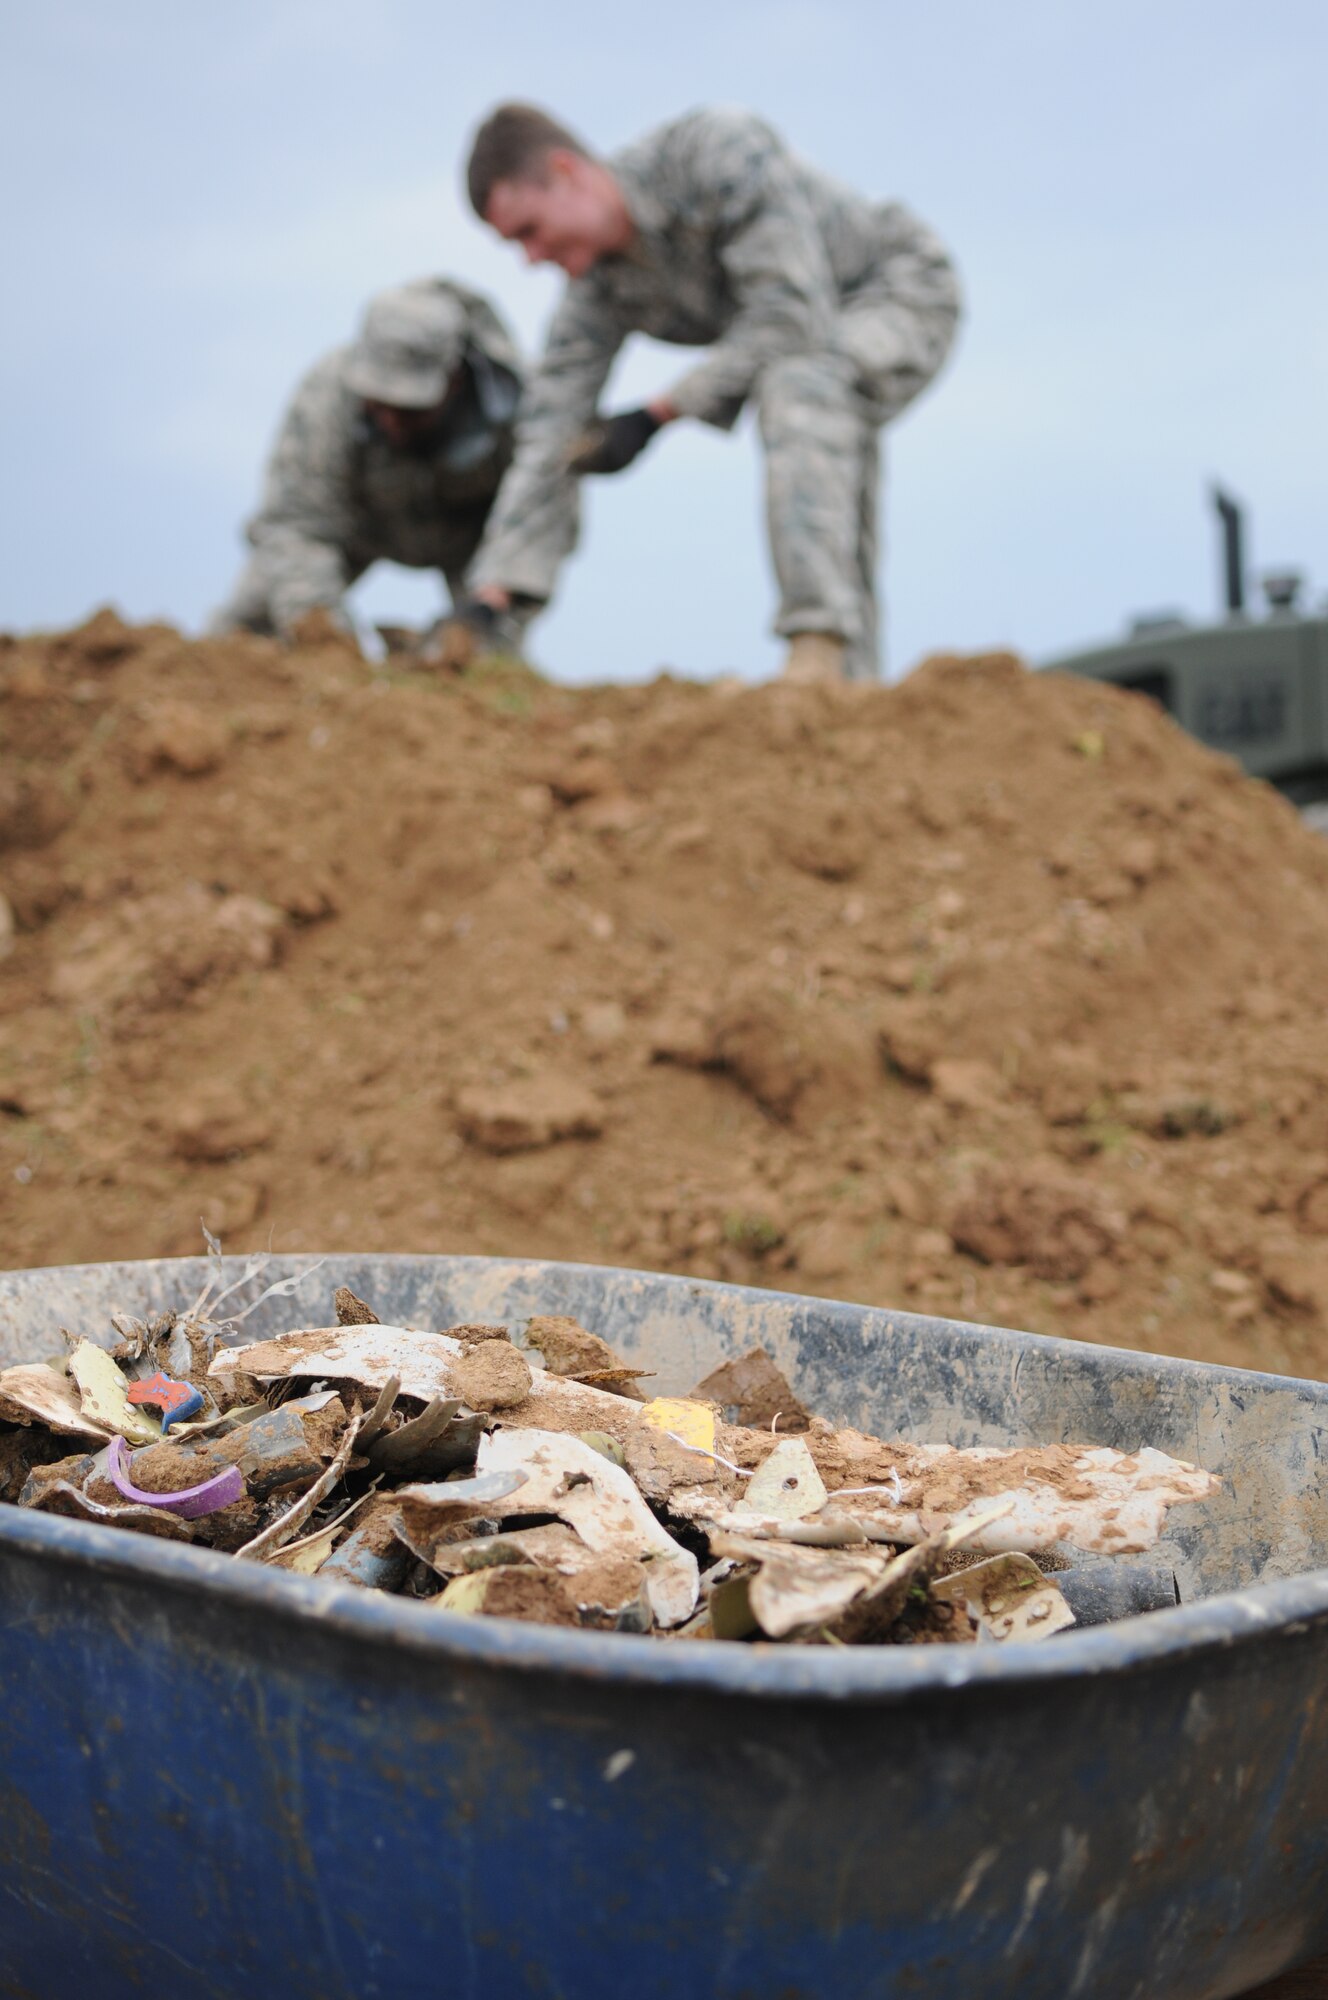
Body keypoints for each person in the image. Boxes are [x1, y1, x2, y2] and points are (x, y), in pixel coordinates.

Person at [460, 103, 961, 681]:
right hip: (816, 337)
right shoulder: (597, 286)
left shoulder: (709, 154)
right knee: (821, 425)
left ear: (567, 172)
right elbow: (549, 430)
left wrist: (656, 414)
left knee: (801, 385)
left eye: (530, 230)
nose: (531, 257)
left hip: (898, 289)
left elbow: (788, 316)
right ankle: (853, 690)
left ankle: (818, 649)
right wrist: (492, 591)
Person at [212, 277, 551, 653]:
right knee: (238, 637)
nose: (391, 422)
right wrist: (324, 635)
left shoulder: (520, 408)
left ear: (454, 379)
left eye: (408, 411)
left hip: (472, 541)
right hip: (355, 523)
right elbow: (298, 526)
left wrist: (492, 599)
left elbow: (539, 511)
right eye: (378, 405)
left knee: (485, 656)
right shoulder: (326, 399)